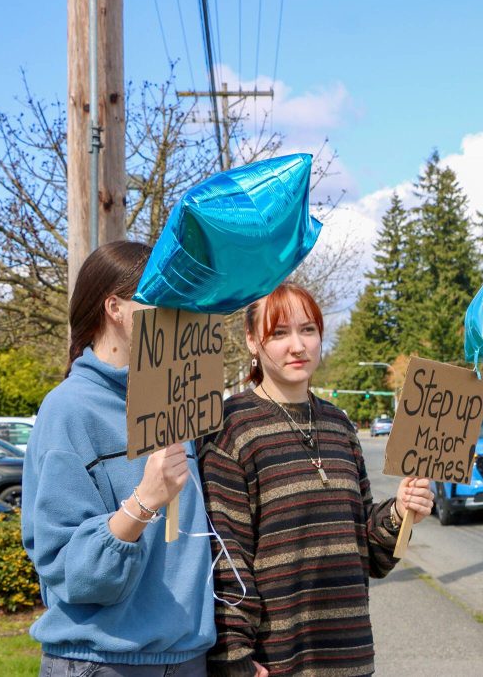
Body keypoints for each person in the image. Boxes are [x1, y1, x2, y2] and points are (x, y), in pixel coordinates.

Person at [200, 282, 434, 676]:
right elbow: (226, 558)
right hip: (276, 664)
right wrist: (234, 658)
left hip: (351, 659)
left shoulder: (339, 424)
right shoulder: (230, 428)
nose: (298, 345)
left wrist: (400, 512)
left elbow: (370, 554)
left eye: (308, 330)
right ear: (252, 341)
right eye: (280, 332)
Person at [21, 240, 216, 676]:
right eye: (160, 297)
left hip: (187, 658)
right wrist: (145, 501)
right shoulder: (68, 410)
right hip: (104, 663)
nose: (175, 309)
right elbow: (70, 571)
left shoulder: (180, 399)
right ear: (116, 307)